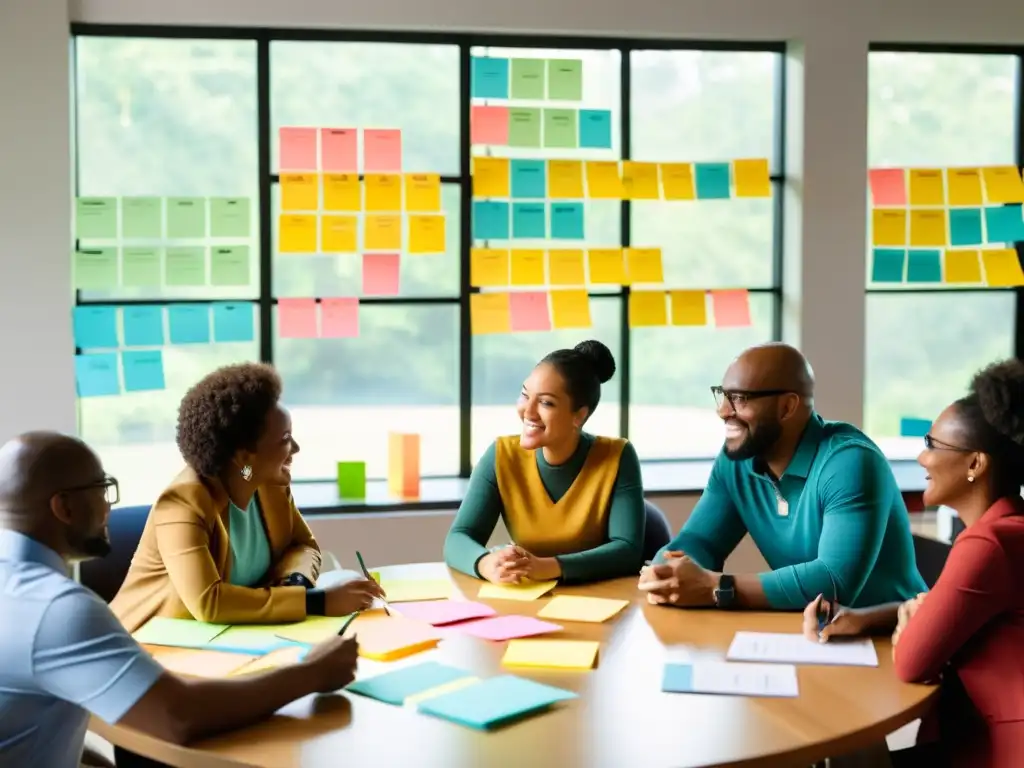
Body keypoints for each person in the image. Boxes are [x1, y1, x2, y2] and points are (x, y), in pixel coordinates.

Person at [0, 431, 363, 768]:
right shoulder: (57, 609)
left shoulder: (270, 489)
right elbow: (177, 716)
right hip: (175, 654)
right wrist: (312, 673)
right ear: (63, 507)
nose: (109, 503)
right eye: (102, 487)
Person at [801, 360, 1024, 768]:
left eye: (933, 445)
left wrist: (909, 623)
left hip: (995, 749)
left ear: (975, 464)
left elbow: (911, 662)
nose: (922, 457)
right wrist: (865, 619)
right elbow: (946, 606)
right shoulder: (1007, 528)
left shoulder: (988, 544)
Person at [639, 342, 925, 610]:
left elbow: (834, 582)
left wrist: (718, 587)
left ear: (787, 407)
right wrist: (667, 570)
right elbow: (700, 541)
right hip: (807, 631)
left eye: (739, 398)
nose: (722, 411)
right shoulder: (736, 461)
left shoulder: (850, 462)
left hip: (890, 637)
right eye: (723, 395)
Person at [110, 363, 382, 632]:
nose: (295, 448)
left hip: (232, 638)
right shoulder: (183, 503)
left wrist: (294, 581)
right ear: (243, 457)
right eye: (285, 438)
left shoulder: (268, 483)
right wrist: (318, 601)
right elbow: (209, 603)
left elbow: (302, 546)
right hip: (152, 647)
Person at [444, 340, 645, 584]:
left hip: (602, 599)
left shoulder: (617, 456)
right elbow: (459, 537)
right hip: (528, 599)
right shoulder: (501, 455)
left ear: (579, 415)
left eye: (546, 402)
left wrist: (548, 567)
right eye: (525, 395)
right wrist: (486, 563)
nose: (528, 411)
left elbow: (628, 551)